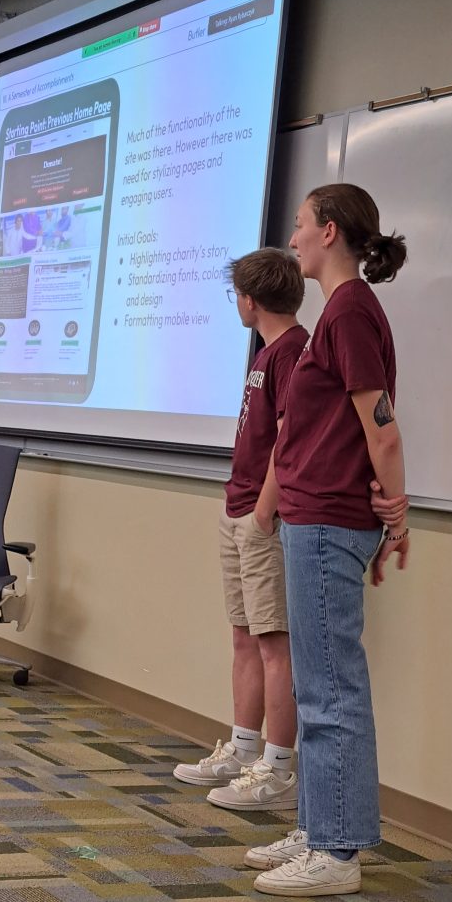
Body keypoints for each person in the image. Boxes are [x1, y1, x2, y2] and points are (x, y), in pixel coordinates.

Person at [245, 184, 410, 896]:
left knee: (330, 689)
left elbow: (383, 428)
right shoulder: (342, 312)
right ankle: (319, 826)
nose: (294, 238)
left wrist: (396, 514)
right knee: (318, 685)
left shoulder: (347, 313)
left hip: (329, 520)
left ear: (331, 231)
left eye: (301, 224)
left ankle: (337, 851)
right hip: (317, 516)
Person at [174, 248, 309, 810]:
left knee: (274, 643)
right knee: (244, 636)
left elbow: (288, 439)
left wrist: (262, 514)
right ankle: (244, 748)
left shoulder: (293, 351)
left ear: (249, 301)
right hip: (239, 506)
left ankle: (277, 769)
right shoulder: (266, 351)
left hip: (261, 516)